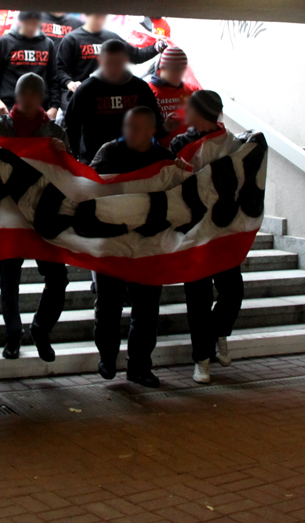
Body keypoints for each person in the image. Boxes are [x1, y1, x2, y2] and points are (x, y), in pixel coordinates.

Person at [88, 107, 174, 388]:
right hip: (112, 241)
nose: (130, 132)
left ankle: (139, 366)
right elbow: (90, 188)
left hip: (149, 243)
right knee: (109, 306)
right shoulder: (109, 152)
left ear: (151, 130)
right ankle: (108, 356)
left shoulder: (163, 158)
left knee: (147, 310)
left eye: (137, 127)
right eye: (127, 126)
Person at [0, 73, 70, 361]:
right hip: (9, 215)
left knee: (58, 278)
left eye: (35, 96)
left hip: (44, 215)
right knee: (9, 279)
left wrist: (63, 156)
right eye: (26, 95)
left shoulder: (55, 133)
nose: (30, 101)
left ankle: (40, 328)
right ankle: (13, 334)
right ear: (17, 97)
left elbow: (69, 175)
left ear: (42, 98)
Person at [170, 90, 244, 385]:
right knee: (197, 298)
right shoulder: (181, 143)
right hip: (194, 231)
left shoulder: (235, 144)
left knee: (233, 292)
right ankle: (202, 359)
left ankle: (218, 333)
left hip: (224, 230)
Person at [64, 39, 168, 164]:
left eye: (118, 63)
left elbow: (154, 123)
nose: (113, 68)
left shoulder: (140, 88)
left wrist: (167, 127)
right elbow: (71, 128)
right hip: (95, 163)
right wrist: (73, 160)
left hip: (135, 161)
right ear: (100, 61)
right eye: (109, 63)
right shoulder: (86, 90)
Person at [57, 14, 164, 110]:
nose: (100, 18)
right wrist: (69, 83)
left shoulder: (112, 37)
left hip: (108, 96)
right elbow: (60, 68)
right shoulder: (71, 39)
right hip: (81, 95)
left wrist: (156, 47)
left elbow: (136, 55)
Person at [0, 11, 61, 120]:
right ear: (20, 22)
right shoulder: (4, 42)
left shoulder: (48, 44)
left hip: (39, 108)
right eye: (28, 23)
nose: (31, 27)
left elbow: (53, 78)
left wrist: (54, 106)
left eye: (34, 24)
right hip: (8, 107)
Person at [148, 46, 199, 148]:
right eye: (174, 70)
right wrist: (165, 127)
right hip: (160, 153)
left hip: (187, 150)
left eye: (182, 70)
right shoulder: (148, 91)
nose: (179, 75)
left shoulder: (191, 90)